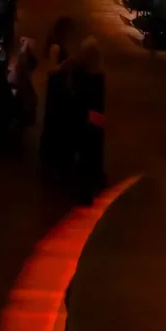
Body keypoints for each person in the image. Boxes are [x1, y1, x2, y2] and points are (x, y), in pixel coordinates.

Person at [69, 37, 106, 202]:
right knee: (94, 151)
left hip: (85, 118)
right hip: (95, 118)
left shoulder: (83, 74)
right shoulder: (98, 74)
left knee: (85, 152)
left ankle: (84, 189)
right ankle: (95, 180)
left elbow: (79, 96)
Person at [39, 18, 78, 175]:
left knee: (53, 118)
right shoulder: (56, 47)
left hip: (57, 85)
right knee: (54, 118)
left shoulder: (58, 45)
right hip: (56, 86)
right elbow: (52, 69)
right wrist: (66, 64)